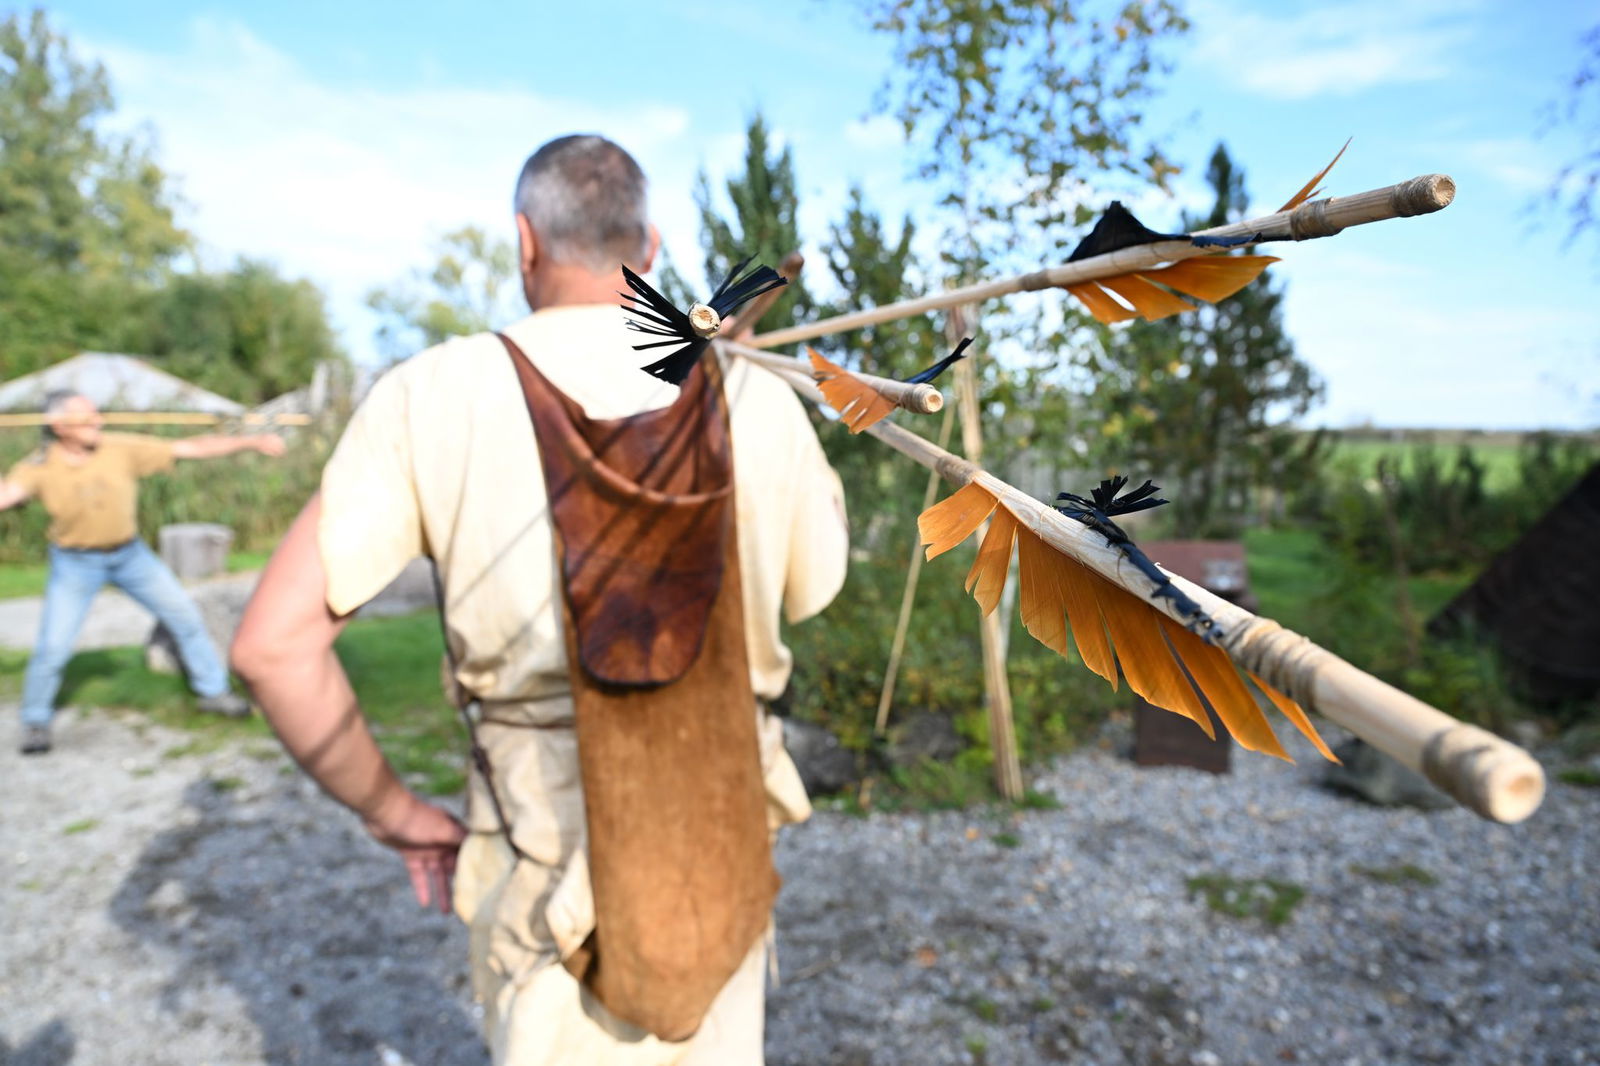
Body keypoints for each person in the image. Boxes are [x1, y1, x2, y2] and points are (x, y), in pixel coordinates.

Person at [230, 133, 849, 1066]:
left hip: (541, 858)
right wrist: (752, 394)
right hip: (718, 842)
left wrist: (395, 814)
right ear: (650, 246)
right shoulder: (752, 388)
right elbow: (817, 588)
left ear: (525, 242)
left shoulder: (428, 392)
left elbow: (272, 648)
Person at [0, 392, 284, 754]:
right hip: (75, 564)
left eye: (96, 414)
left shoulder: (119, 447)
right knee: (53, 646)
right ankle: (36, 720)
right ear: (59, 426)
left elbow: (189, 448)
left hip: (131, 556)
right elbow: (6, 497)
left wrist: (251, 440)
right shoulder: (37, 466)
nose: (98, 422)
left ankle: (213, 693)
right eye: (86, 418)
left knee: (185, 616)